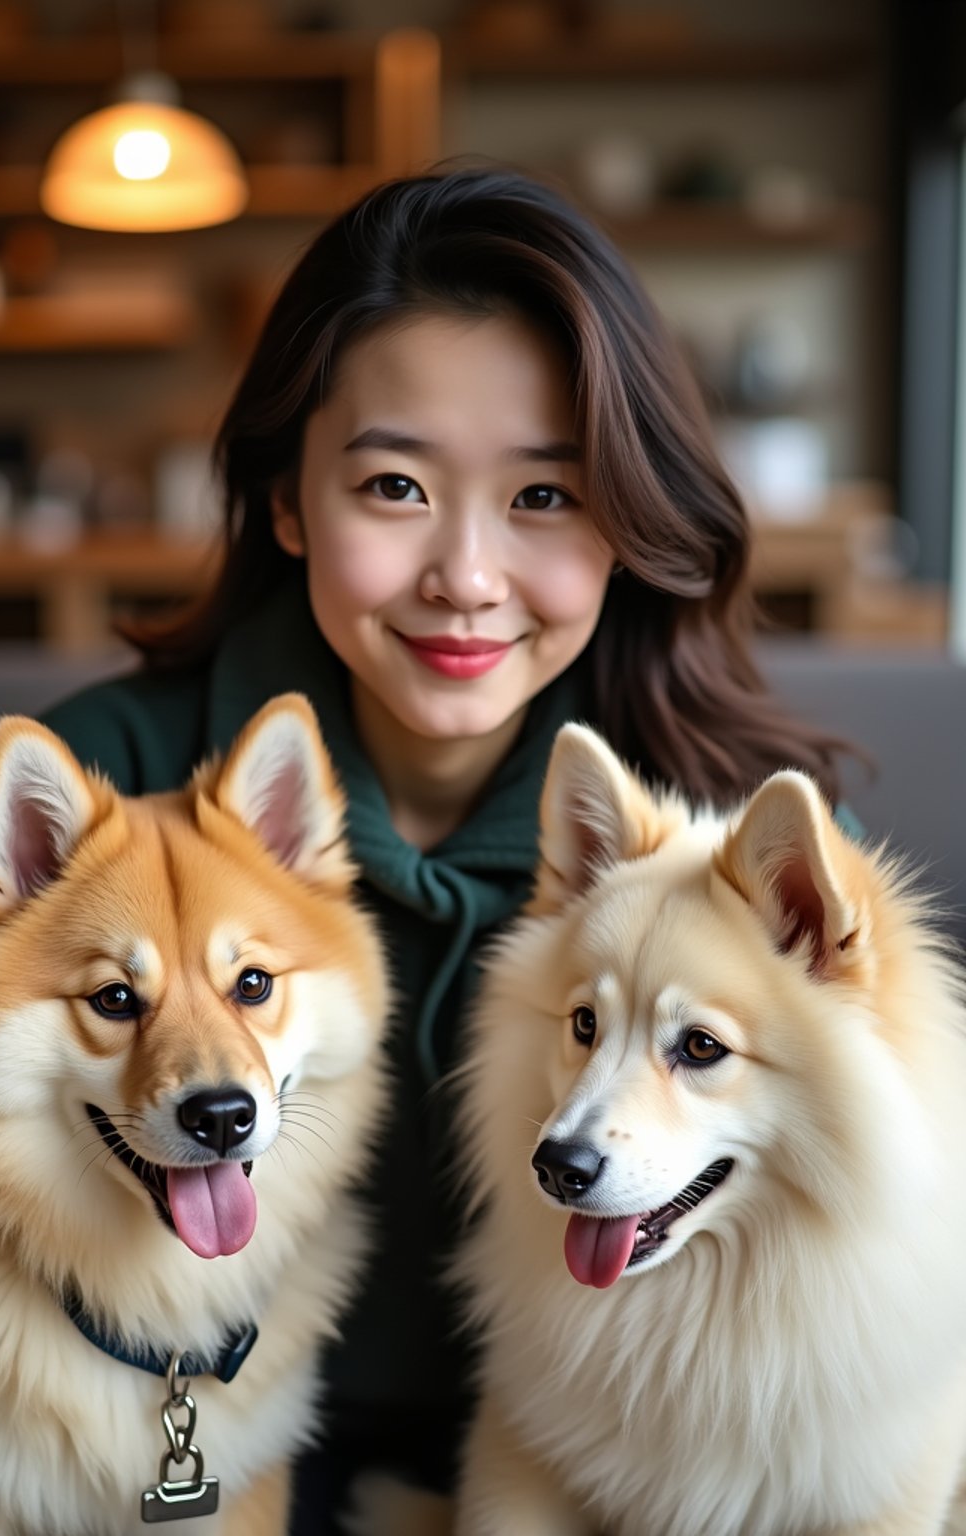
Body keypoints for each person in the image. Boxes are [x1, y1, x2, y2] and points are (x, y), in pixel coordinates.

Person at [42, 164, 846, 1532]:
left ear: (628, 520)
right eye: (397, 486)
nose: (465, 575)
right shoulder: (101, 796)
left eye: (545, 497)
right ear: (289, 498)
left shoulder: (735, 836)